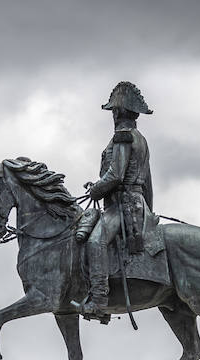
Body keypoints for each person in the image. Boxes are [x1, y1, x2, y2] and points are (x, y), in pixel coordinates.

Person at [74, 81, 155, 321]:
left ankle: (99, 301)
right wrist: (149, 211)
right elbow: (148, 183)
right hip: (137, 204)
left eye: (113, 111)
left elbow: (117, 175)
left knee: (95, 242)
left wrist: (96, 189)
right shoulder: (141, 138)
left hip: (123, 206)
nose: (113, 115)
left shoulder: (122, 137)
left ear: (119, 112)